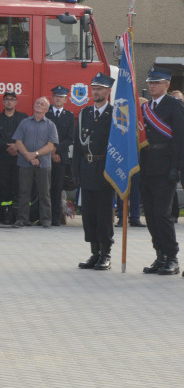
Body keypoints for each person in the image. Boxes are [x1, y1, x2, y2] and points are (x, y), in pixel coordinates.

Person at [139, 66, 184, 275]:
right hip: (146, 166)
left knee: (162, 214)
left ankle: (172, 257)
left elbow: (179, 139)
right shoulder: (145, 108)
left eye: (156, 82)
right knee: (150, 214)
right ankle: (160, 255)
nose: (152, 86)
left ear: (167, 85)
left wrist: (176, 167)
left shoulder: (174, 105)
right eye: (150, 82)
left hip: (166, 167)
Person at [72, 73, 114, 270]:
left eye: (100, 89)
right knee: (88, 214)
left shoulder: (114, 114)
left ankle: (106, 254)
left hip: (105, 169)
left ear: (108, 91)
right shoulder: (85, 114)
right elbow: (77, 145)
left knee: (103, 214)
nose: (96, 92)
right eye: (94, 88)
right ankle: (94, 253)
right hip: (87, 168)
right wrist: (75, 171)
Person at [12, 97, 59, 228]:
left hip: (43, 164)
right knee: (23, 191)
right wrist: (28, 155)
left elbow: (51, 146)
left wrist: (36, 154)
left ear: (46, 108)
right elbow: (18, 142)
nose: (39, 105)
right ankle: (22, 219)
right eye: (37, 103)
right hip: (25, 162)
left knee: (44, 192)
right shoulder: (24, 123)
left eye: (42, 104)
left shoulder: (50, 125)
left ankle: (45, 219)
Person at [0, 92, 28, 224]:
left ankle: (18, 214)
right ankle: (6, 214)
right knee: (3, 186)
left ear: (16, 102)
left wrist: (16, 146)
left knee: (17, 185)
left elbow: (27, 136)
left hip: (19, 158)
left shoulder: (23, 119)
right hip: (2, 159)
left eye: (12, 99)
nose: (9, 102)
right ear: (3, 102)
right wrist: (6, 146)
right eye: (7, 100)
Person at [45, 85, 75, 226]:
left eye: (61, 97)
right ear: (52, 98)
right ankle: (44, 216)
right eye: (56, 96)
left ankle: (55, 218)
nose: (58, 99)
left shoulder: (69, 116)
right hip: (45, 156)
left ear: (65, 100)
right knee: (45, 188)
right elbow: (42, 135)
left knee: (57, 188)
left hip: (60, 157)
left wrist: (56, 151)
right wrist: (51, 152)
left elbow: (70, 138)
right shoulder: (46, 113)